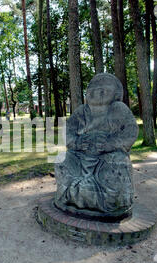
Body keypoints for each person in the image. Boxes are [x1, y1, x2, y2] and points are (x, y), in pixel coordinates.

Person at [54, 73, 139, 220]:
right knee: (62, 159)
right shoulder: (81, 111)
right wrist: (76, 142)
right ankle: (70, 196)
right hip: (80, 154)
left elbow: (131, 131)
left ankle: (111, 203)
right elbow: (67, 131)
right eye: (92, 89)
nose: (97, 92)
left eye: (104, 89)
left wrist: (112, 144)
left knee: (117, 165)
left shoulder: (118, 109)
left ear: (116, 94)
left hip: (108, 156)